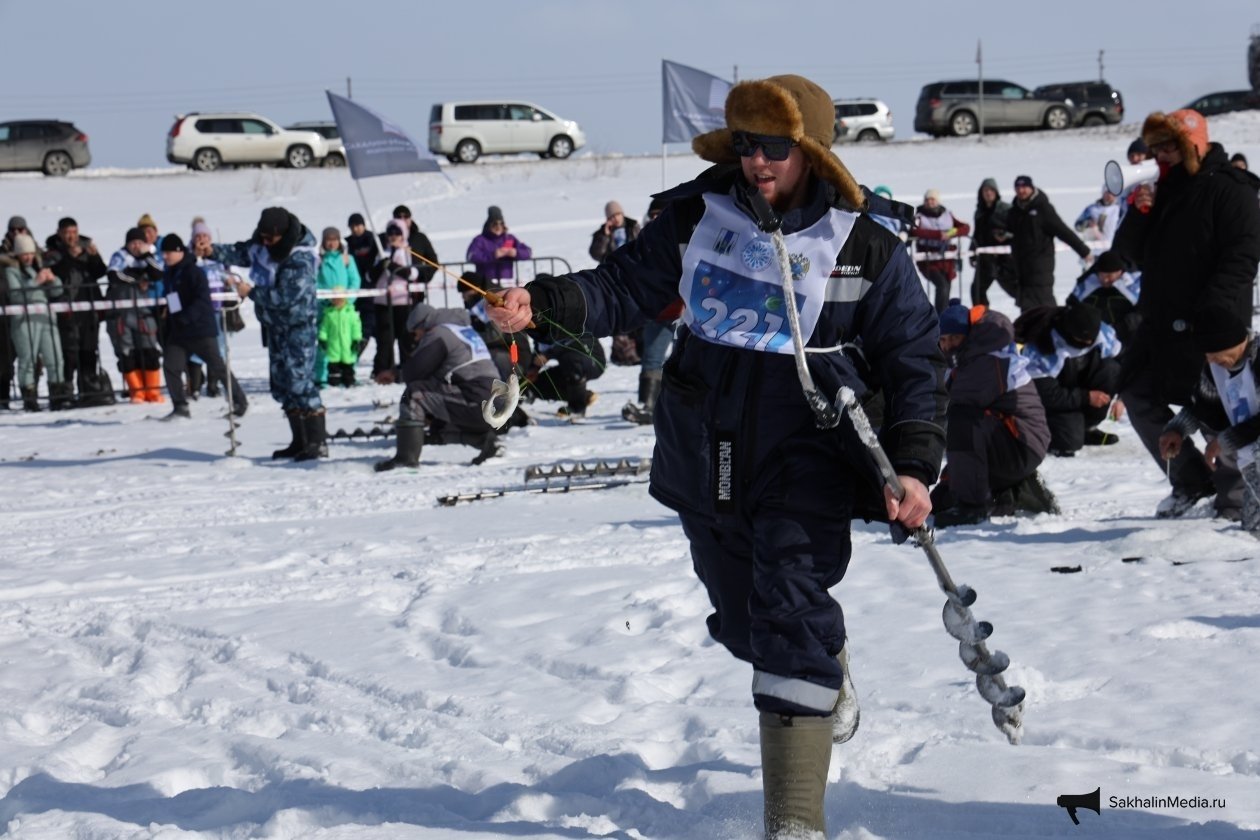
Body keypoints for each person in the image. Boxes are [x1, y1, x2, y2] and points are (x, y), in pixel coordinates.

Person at [487, 74, 944, 839]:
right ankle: (820, 662)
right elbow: (623, 287)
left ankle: (794, 820)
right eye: (744, 145)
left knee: (790, 603)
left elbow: (915, 359)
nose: (756, 161)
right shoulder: (700, 216)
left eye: (773, 147)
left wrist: (914, 462)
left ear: (812, 153)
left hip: (813, 449)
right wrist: (547, 303)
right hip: (709, 446)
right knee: (746, 623)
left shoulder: (867, 243)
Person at [1113, 108, 1260, 519]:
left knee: (1219, 410)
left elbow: (1242, 257)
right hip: (1159, 321)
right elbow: (1130, 253)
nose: (1160, 157)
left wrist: (1211, 312)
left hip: (1212, 323)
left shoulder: (1232, 190)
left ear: (1192, 144)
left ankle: (1234, 499)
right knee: (1138, 392)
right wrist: (1140, 214)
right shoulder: (1166, 190)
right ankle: (1190, 479)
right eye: (1155, 149)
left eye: (1167, 148)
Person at [213, 207, 326, 461]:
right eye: (262, 238)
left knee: (300, 383)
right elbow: (242, 251)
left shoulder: (301, 258)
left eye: (269, 239)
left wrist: (250, 292)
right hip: (275, 327)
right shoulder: (265, 245)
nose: (264, 244)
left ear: (282, 235)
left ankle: (317, 443)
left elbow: (286, 297)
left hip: (298, 329)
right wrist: (211, 250)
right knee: (283, 385)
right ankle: (299, 441)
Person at [931, 301, 1053, 526]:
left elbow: (953, 404)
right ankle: (1009, 492)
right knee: (940, 501)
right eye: (943, 340)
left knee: (960, 418)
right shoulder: (972, 356)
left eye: (954, 338)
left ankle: (973, 508)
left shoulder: (989, 360)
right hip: (1005, 441)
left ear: (968, 335)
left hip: (1022, 445)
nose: (948, 346)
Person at [1161, 306, 1260, 535]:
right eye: (1207, 354)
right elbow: (1203, 407)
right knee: (1252, 534)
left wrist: (1226, 441)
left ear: (1234, 340)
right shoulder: (1215, 369)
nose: (1211, 359)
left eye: (1215, 352)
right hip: (1250, 458)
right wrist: (1177, 430)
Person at [374, 302, 501, 471]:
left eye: (416, 333)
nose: (416, 338)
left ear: (423, 324)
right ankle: (487, 442)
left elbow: (416, 372)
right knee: (438, 422)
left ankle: (405, 459)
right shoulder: (462, 330)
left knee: (414, 395)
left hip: (476, 399)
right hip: (497, 403)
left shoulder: (439, 333)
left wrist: (396, 374)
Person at [158, 234, 247, 420]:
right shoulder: (170, 274)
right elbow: (172, 297)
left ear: (178, 252)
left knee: (218, 367)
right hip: (179, 332)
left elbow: (202, 301)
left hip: (200, 330)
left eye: (167, 253)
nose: (165, 256)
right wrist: (173, 317)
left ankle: (240, 401)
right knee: (171, 366)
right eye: (163, 253)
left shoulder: (193, 272)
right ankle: (180, 407)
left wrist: (185, 317)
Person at [1016, 301, 1123, 456]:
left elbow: (1125, 361)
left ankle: (1086, 427)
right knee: (1069, 441)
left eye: (1090, 341)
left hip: (1078, 389)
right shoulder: (1042, 345)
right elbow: (1045, 395)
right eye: (1081, 341)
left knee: (1111, 369)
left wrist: (1122, 397)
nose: (1087, 344)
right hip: (1052, 402)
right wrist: (1086, 398)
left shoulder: (1102, 333)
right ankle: (1044, 433)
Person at [42, 216, 111, 406]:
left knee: (89, 350)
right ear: (60, 234)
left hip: (89, 308)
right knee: (68, 352)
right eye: (67, 233)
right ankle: (65, 393)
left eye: (74, 232)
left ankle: (89, 389)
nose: (71, 237)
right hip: (66, 309)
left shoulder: (86, 248)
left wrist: (94, 256)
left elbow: (99, 272)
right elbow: (55, 272)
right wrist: (70, 257)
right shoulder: (52, 252)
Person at [1007, 174, 1092, 311]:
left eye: (1024, 187)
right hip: (1021, 268)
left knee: (1043, 304)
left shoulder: (1043, 209)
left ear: (1031, 188)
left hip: (1040, 266)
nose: (1021, 191)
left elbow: (1063, 231)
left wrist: (1083, 250)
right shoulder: (1014, 211)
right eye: (1018, 187)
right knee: (1026, 307)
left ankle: (1051, 328)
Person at [4, 233, 67, 411]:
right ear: (17, 254)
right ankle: (29, 398)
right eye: (24, 253)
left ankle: (58, 395)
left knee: (54, 357)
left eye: (31, 253)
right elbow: (16, 295)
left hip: (46, 318)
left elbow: (56, 292)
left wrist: (53, 280)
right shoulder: (12, 272)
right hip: (24, 321)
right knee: (28, 359)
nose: (28, 257)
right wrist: (35, 281)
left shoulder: (38, 267)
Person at [106, 228, 165, 404]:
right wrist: (137, 278)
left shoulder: (149, 256)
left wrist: (146, 257)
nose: (136, 246)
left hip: (144, 312)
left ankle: (153, 391)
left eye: (140, 242)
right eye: (133, 242)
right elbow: (114, 275)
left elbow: (158, 273)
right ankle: (137, 391)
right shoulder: (120, 256)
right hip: (122, 313)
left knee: (149, 350)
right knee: (127, 352)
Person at [369, 219, 426, 382]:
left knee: (405, 337)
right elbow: (369, 276)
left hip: (403, 301)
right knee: (385, 338)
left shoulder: (407, 251)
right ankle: (383, 370)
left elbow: (413, 274)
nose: (393, 237)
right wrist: (381, 265)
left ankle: (407, 369)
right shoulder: (381, 252)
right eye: (390, 233)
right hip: (383, 301)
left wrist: (393, 267)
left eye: (397, 233)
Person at [591, 200, 644, 365]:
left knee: (640, 314)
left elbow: (643, 245)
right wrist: (605, 236)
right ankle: (622, 355)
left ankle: (641, 351)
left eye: (617, 214)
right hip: (614, 278)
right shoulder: (603, 233)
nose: (615, 218)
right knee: (620, 316)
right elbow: (596, 254)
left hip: (636, 276)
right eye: (611, 216)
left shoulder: (634, 227)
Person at [315, 226, 363, 387]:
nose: (331, 243)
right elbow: (314, 282)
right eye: (328, 240)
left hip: (345, 309)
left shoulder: (347, 259)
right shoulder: (319, 261)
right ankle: (322, 377)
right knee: (325, 343)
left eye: (334, 240)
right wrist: (324, 299)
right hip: (325, 309)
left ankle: (348, 375)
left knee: (348, 342)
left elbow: (354, 280)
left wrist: (348, 299)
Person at [190, 218, 232, 398]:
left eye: (204, 236)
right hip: (198, 311)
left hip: (217, 308)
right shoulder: (189, 257)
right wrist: (196, 256)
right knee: (198, 348)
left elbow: (227, 273)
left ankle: (214, 384)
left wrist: (229, 280)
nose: (201, 239)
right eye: (198, 236)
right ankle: (196, 384)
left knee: (218, 347)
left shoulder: (217, 256)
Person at [910, 188, 970, 312]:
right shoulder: (919, 216)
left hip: (947, 260)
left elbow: (965, 227)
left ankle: (943, 315)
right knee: (941, 286)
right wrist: (938, 235)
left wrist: (952, 232)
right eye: (927, 200)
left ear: (937, 201)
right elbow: (915, 231)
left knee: (946, 287)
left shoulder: (947, 214)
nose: (930, 202)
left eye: (932, 199)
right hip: (928, 261)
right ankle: (939, 318)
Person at [1067, 250, 1141, 347]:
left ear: (1120, 272)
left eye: (1109, 276)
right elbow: (1071, 307)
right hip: (1092, 340)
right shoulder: (1086, 285)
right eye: (1102, 275)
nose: (1105, 280)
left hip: (1128, 339)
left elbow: (1142, 314)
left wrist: (1117, 329)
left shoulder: (1135, 286)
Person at [969, 178, 1017, 306]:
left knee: (1016, 291)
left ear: (996, 192)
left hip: (1004, 260)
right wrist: (972, 251)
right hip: (985, 260)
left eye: (991, 190)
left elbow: (1019, 230)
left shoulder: (1006, 210)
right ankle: (982, 321)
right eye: (985, 190)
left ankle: (1031, 314)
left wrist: (1006, 235)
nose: (988, 193)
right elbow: (977, 234)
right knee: (977, 290)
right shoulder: (979, 213)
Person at [467, 206, 532, 282]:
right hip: (486, 283)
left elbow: (528, 252)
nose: (498, 226)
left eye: (501, 223)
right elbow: (471, 256)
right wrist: (493, 255)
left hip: (506, 282)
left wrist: (516, 252)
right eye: (494, 224)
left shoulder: (510, 238)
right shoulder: (480, 239)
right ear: (488, 225)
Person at [345, 212, 378, 360]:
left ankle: (356, 352)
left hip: (369, 288)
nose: (355, 229)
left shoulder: (372, 240)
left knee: (369, 324)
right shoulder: (347, 243)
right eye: (352, 226)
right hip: (352, 289)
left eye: (358, 225)